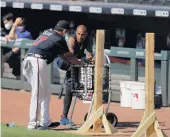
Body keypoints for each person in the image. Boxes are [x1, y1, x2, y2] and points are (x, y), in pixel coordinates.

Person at [22, 20, 84, 130]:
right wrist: (80, 62)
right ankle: (33, 124)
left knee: (46, 92)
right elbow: (69, 56)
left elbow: (62, 56)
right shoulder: (59, 39)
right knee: (38, 93)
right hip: (36, 61)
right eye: (67, 32)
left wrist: (74, 62)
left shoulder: (48, 32)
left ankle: (45, 122)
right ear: (64, 31)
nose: (67, 34)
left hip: (33, 60)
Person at [57, 25, 94, 126]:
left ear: (86, 34)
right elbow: (70, 58)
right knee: (70, 84)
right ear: (75, 33)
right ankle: (64, 117)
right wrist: (83, 61)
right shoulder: (71, 40)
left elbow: (89, 55)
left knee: (72, 86)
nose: (80, 36)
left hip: (76, 60)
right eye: (78, 34)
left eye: (83, 34)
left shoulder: (89, 40)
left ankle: (75, 86)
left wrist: (89, 59)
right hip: (64, 61)